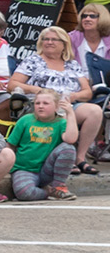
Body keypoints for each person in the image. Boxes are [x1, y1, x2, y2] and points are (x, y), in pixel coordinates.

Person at [6, 25, 103, 174]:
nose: (49, 42)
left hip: (67, 104)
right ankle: (63, 160)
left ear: (64, 44)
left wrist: (73, 96)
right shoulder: (33, 60)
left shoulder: (72, 64)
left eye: (54, 39)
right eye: (46, 39)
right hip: (39, 106)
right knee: (60, 112)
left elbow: (87, 92)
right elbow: (12, 84)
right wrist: (38, 91)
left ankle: (80, 158)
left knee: (95, 111)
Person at [6, 92, 79, 201]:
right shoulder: (25, 120)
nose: (40, 106)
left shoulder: (61, 123)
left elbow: (71, 139)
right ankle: (48, 192)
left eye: (46, 103)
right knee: (24, 193)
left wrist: (70, 113)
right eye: (37, 103)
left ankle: (58, 186)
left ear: (56, 106)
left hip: (47, 169)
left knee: (68, 148)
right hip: (24, 169)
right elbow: (10, 146)